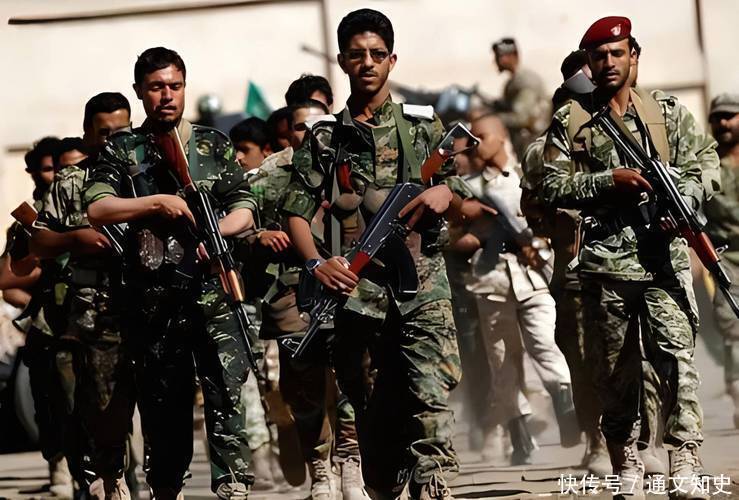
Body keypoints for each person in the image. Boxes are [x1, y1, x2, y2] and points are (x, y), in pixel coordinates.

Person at [281, 9, 470, 499]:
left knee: (430, 390)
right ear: (343, 61)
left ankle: (434, 483)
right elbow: (296, 211)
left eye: (377, 54)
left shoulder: (422, 126)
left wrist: (444, 193)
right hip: (357, 295)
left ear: (392, 60)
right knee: (372, 409)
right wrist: (316, 263)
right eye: (357, 54)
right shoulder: (326, 137)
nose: (368, 63)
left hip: (422, 286)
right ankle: (388, 480)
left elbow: (461, 193)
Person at [541, 16, 718, 497]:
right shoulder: (572, 120)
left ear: (633, 56)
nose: (608, 62)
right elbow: (549, 185)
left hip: (662, 261)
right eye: (599, 56)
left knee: (678, 359)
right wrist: (608, 181)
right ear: (590, 62)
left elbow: (704, 162)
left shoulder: (666, 112)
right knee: (616, 373)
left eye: (617, 53)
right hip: (606, 265)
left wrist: (686, 196)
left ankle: (685, 456)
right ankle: (626, 460)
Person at [83, 47, 257, 500]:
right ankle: (166, 490)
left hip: (213, 295)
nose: (167, 96)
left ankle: (233, 487)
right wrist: (156, 203)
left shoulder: (212, 144)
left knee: (227, 396)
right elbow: (98, 208)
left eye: (175, 86)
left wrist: (218, 231)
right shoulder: (123, 149)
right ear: (139, 91)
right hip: (155, 301)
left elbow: (245, 205)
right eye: (156, 87)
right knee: (164, 406)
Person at [29, 93, 137, 500]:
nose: (113, 141)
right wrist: (76, 238)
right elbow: (39, 241)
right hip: (98, 314)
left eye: (121, 131)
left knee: (160, 406)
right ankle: (109, 483)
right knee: (103, 409)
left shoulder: (149, 173)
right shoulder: (71, 182)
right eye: (104, 133)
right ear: (88, 133)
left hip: (152, 307)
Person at [460, 114, 578, 465]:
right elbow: (457, 238)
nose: (475, 145)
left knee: (545, 343)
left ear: (501, 137)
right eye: (472, 139)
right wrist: (481, 235)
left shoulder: (530, 175)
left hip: (534, 277)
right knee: (503, 361)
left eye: (482, 137)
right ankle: (519, 433)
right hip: (492, 281)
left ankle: (567, 409)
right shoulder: (469, 188)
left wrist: (537, 240)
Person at [704, 93, 739, 427]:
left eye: (730, 116)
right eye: (717, 117)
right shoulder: (706, 163)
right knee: (732, 326)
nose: (723, 123)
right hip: (726, 260)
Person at [491, 37, 550, 159]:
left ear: (512, 56)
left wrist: (493, 118)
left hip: (535, 149)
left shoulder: (525, 81)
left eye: (499, 57)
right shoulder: (513, 81)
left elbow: (521, 118)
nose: (496, 61)